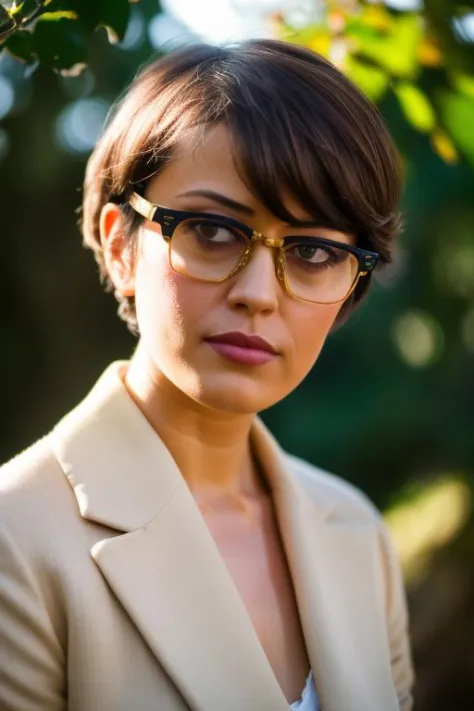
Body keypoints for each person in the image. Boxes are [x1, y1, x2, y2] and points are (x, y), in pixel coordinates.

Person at [0, 39, 414, 711]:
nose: (258, 292)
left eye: (312, 250)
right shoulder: (16, 538)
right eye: (214, 231)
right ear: (119, 242)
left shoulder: (358, 534)